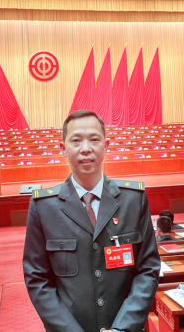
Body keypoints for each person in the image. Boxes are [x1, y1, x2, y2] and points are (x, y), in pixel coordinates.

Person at [23, 110, 160, 332]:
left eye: (94, 139)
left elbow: (148, 269)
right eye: (76, 140)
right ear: (63, 148)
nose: (85, 148)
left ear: (106, 146)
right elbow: (37, 279)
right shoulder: (43, 207)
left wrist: (122, 328)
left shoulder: (133, 200)